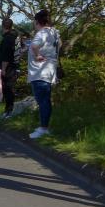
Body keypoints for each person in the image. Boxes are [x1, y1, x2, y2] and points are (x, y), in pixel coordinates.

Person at [27, 9, 60, 139]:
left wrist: (38, 55)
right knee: (46, 100)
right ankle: (44, 126)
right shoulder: (54, 32)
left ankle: (43, 128)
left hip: (39, 71)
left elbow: (34, 46)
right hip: (50, 70)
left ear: (37, 21)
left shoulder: (41, 33)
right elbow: (60, 44)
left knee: (43, 101)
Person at [0, 18, 18, 118]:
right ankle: (8, 110)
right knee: (9, 88)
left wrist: (3, 69)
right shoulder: (15, 37)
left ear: (3, 26)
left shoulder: (7, 39)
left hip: (8, 68)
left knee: (7, 89)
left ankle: (9, 111)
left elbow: (6, 56)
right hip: (14, 66)